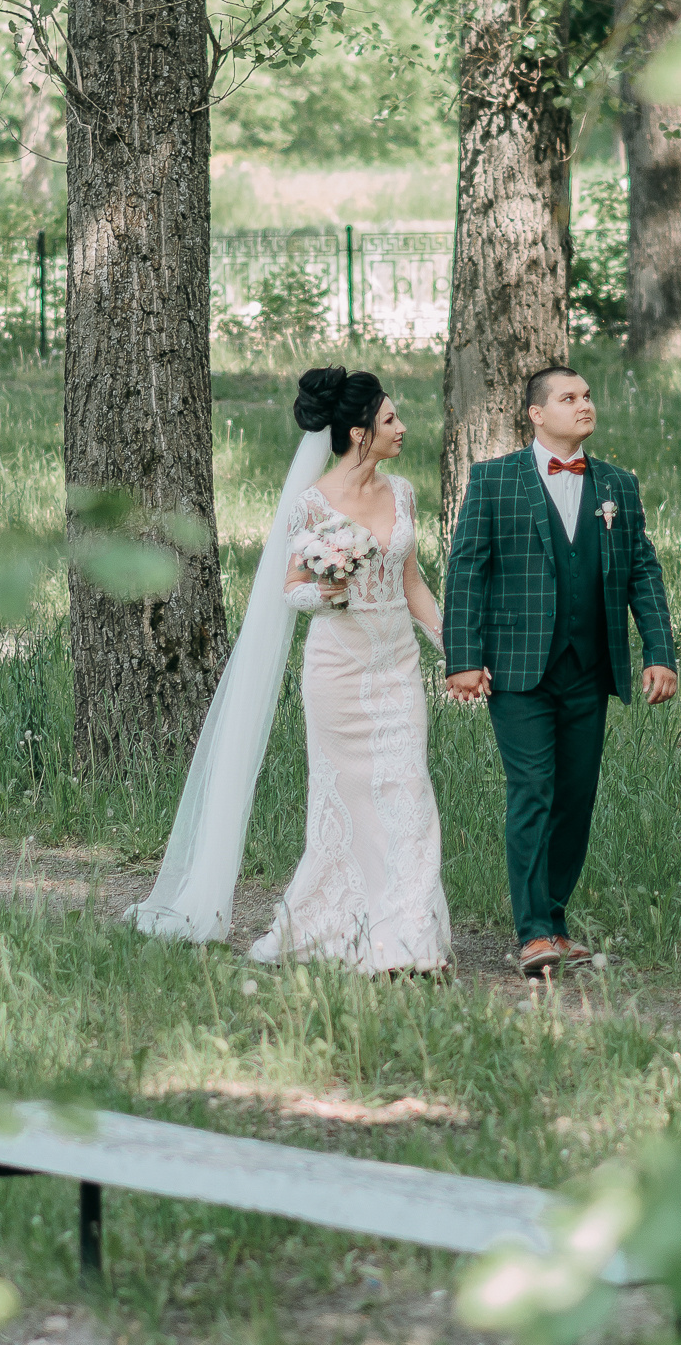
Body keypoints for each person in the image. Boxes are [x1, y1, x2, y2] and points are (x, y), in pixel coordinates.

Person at [125, 367, 451, 975]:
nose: (402, 429)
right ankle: (336, 925)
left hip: (397, 667)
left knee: (409, 791)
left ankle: (408, 938)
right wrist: (330, 590)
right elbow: (291, 590)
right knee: (346, 803)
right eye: (390, 420)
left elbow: (413, 583)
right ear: (359, 433)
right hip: (338, 670)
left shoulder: (402, 492)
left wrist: (451, 647)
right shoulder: (311, 504)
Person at [442, 366, 677, 979]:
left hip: (588, 669)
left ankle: (554, 917)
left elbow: (642, 572)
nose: (584, 405)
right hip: (517, 671)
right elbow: (466, 572)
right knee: (533, 791)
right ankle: (534, 932)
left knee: (576, 797)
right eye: (569, 398)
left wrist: (659, 652)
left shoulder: (617, 486)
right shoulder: (493, 481)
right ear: (536, 414)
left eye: (588, 396)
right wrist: (463, 659)